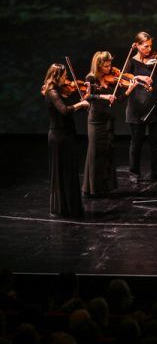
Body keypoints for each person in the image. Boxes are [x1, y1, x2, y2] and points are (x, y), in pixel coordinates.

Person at [124, 32, 157, 184]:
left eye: (150, 46)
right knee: (136, 143)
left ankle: (156, 172)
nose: (149, 49)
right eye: (145, 46)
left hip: (155, 106)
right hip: (136, 108)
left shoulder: (156, 60)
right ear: (137, 46)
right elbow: (124, 78)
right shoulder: (131, 62)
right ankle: (134, 173)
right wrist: (138, 78)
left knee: (155, 143)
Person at [42, 63, 89, 218]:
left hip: (66, 135)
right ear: (57, 76)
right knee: (63, 172)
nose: (67, 79)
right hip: (59, 137)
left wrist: (85, 96)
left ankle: (69, 206)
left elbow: (67, 104)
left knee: (69, 172)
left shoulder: (58, 91)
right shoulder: (52, 92)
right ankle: (64, 208)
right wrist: (81, 104)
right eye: (64, 76)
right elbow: (65, 110)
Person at [82, 51, 121, 196]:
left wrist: (130, 87)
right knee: (94, 154)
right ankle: (91, 188)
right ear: (98, 65)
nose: (109, 68)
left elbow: (119, 97)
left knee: (107, 152)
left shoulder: (109, 78)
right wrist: (104, 96)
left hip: (107, 119)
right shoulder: (90, 78)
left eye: (110, 65)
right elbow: (88, 96)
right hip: (95, 120)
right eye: (105, 66)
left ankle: (105, 187)